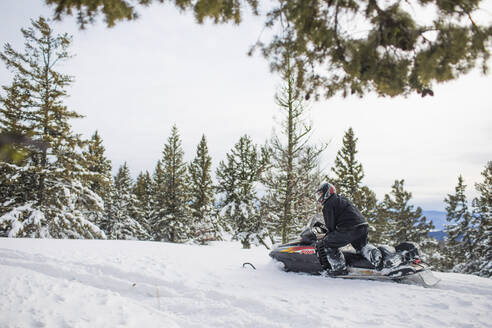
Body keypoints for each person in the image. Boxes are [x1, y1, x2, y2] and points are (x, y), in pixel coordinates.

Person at [315, 182, 382, 275]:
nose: (319, 197)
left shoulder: (328, 204)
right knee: (361, 247)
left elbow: (331, 227)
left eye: (320, 194)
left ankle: (339, 268)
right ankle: (372, 254)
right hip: (362, 226)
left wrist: (324, 235)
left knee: (327, 243)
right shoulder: (341, 199)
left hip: (349, 228)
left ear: (327, 192)